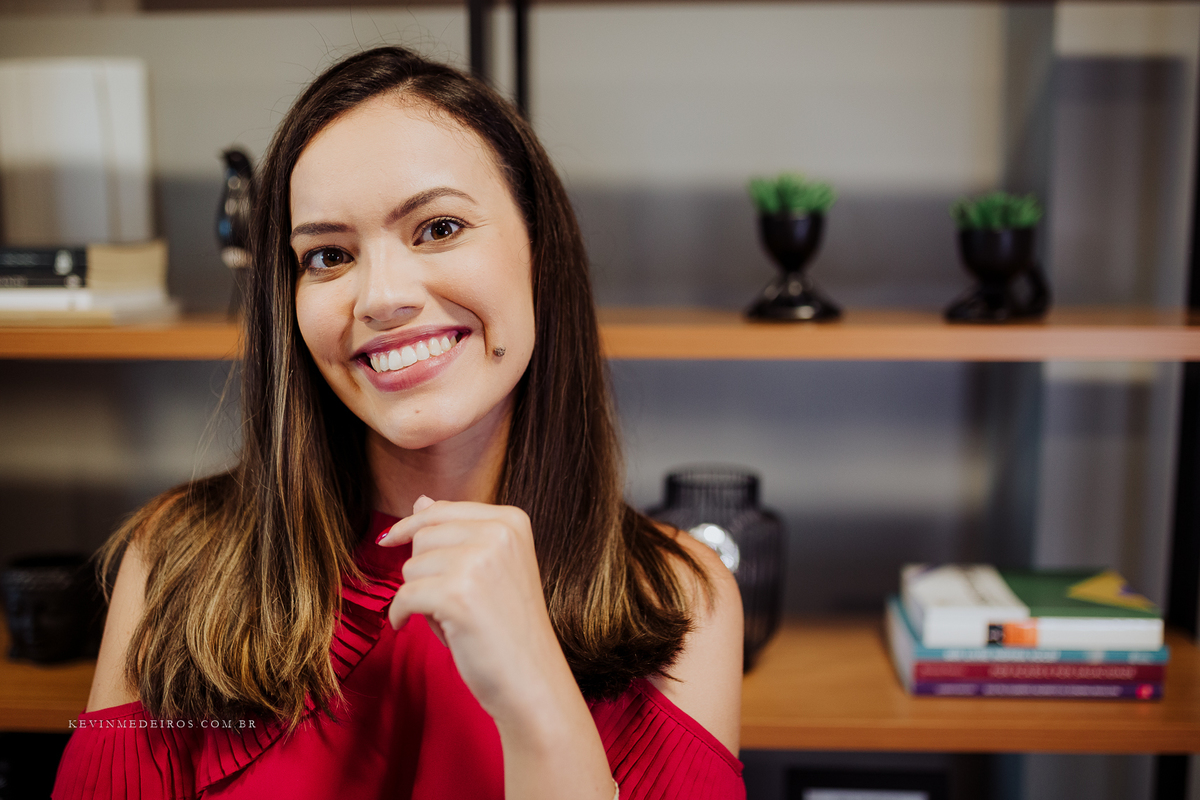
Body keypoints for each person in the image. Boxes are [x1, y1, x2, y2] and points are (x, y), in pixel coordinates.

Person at [53, 45, 745, 800]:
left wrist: (539, 699)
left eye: (439, 228)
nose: (381, 297)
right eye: (326, 255)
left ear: (539, 251)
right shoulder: (169, 562)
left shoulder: (684, 598)